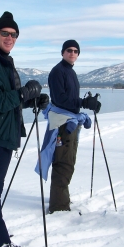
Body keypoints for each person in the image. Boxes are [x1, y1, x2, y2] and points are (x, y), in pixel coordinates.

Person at [0, 11, 49, 247]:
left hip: (2, 130)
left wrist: (31, 99)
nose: (10, 37)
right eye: (5, 33)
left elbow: (6, 100)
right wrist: (23, 94)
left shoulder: (1, 60)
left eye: (14, 34)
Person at [46, 40, 101, 213]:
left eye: (76, 51)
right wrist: (84, 102)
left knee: (68, 162)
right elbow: (61, 99)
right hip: (63, 124)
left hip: (70, 122)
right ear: (63, 52)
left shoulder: (70, 71)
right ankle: (59, 207)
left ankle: (62, 200)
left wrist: (86, 103)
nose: (72, 53)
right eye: (69, 50)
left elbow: (70, 99)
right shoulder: (57, 72)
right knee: (63, 164)